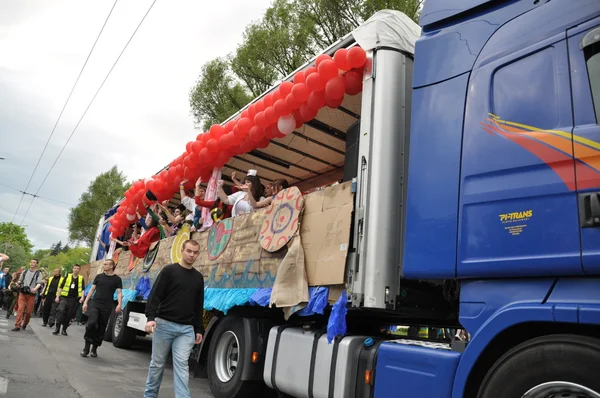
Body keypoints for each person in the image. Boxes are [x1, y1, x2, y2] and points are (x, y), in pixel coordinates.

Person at [143, 240, 204, 398]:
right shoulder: (169, 271)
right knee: (157, 365)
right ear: (182, 251)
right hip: (164, 325)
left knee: (182, 366)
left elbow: (198, 305)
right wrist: (150, 318)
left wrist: (198, 329)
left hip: (186, 330)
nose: (192, 255)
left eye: (195, 252)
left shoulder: (198, 278)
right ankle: (150, 396)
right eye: (189, 251)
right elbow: (155, 296)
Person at [81, 259, 122, 358]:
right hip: (95, 303)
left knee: (101, 327)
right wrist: (85, 302)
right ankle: (86, 347)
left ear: (111, 266)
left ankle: (94, 348)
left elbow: (119, 292)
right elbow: (91, 290)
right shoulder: (99, 277)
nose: (104, 266)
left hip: (107, 306)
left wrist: (119, 304)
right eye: (104, 264)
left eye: (106, 264)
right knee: (91, 323)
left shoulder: (117, 279)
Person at [53, 264, 85, 336]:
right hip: (64, 297)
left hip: (73, 298)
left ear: (79, 270)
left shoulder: (81, 278)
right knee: (60, 311)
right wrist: (57, 297)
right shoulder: (68, 276)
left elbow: (83, 289)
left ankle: (64, 329)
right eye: (75, 268)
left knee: (69, 314)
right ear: (72, 269)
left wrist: (82, 297)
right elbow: (61, 287)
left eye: (77, 268)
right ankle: (57, 328)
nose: (76, 269)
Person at [11, 259, 42, 331]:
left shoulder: (38, 273)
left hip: (31, 294)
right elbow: (20, 280)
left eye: (34, 262)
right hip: (23, 293)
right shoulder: (25, 271)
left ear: (37, 264)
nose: (32, 264)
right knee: (20, 309)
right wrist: (17, 284)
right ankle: (17, 325)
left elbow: (39, 283)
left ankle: (25, 323)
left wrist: (35, 288)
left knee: (28, 312)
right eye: (31, 262)